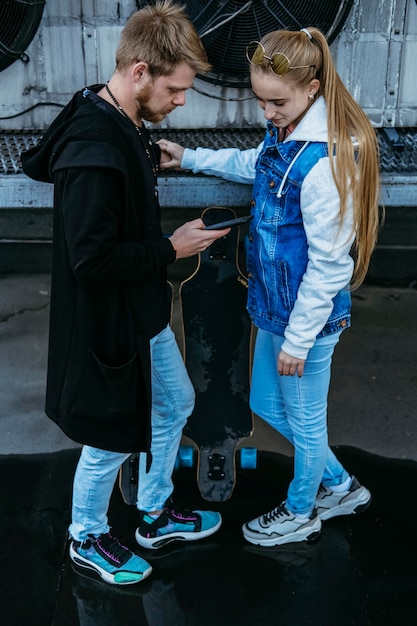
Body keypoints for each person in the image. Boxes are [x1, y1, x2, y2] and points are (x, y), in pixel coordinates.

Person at [21, 0, 229, 586]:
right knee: (110, 432)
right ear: (140, 72)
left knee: (175, 401)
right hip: (108, 318)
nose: (183, 101)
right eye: (178, 88)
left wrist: (145, 156)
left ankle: (154, 514)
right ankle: (85, 536)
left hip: (141, 310)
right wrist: (171, 249)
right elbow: (90, 259)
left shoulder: (116, 117)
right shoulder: (95, 148)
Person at [159, 27, 381, 547]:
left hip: (309, 320)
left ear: (314, 87)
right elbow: (254, 167)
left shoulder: (325, 162)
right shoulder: (288, 132)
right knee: (266, 401)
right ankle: (341, 485)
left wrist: (300, 340)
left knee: (304, 422)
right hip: (274, 308)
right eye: (261, 101)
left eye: (276, 102)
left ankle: (303, 511)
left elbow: (329, 266)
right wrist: (190, 157)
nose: (267, 113)